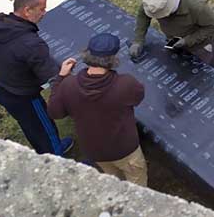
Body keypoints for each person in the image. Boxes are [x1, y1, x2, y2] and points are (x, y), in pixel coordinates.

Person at [0, 0, 75, 156]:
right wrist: (64, 75)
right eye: (42, 9)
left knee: (30, 126)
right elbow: (53, 79)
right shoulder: (32, 44)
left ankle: (44, 149)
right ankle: (57, 157)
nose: (45, 13)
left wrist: (1, 70)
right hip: (25, 97)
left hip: (1, 89)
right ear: (27, 11)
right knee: (44, 128)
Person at [48, 33, 148, 186]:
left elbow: (55, 112)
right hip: (126, 150)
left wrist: (60, 78)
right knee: (138, 188)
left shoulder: (68, 85)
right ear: (113, 59)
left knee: (114, 182)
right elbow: (138, 97)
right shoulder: (125, 84)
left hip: (95, 152)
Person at [128, 0, 214, 67]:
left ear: (170, 10)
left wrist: (187, 41)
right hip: (173, 39)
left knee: (203, 71)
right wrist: (138, 40)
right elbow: (143, 14)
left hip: (200, 45)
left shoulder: (197, 7)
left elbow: (213, 26)